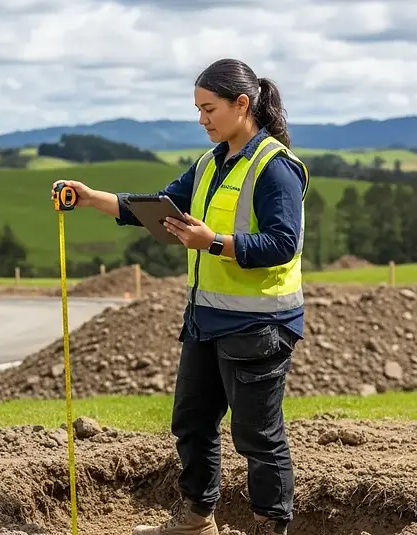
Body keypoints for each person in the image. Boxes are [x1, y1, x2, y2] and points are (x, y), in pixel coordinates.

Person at [50, 58, 309, 535]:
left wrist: (212, 242)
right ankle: (196, 521)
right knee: (192, 423)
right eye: (198, 110)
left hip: (260, 328)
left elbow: (282, 244)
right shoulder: (210, 163)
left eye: (209, 109)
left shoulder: (276, 168)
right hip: (206, 321)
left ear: (242, 104)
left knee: (257, 436)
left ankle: (271, 527)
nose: (202, 119)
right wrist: (91, 198)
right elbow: (158, 207)